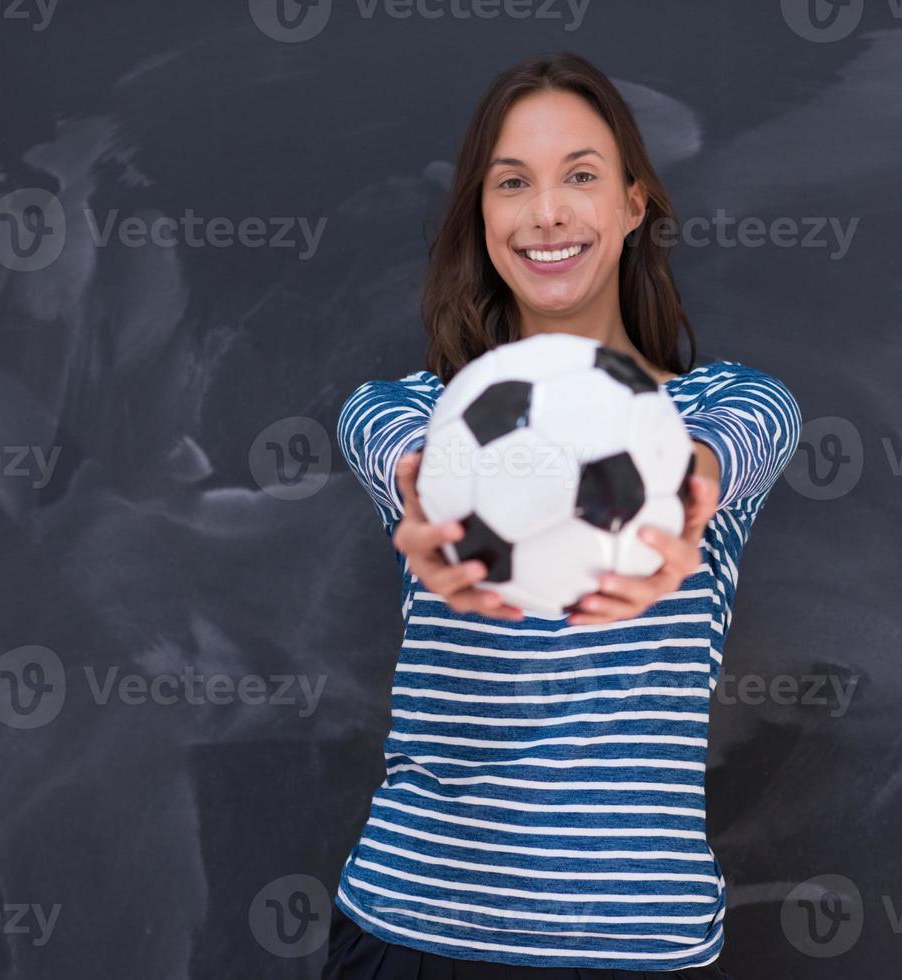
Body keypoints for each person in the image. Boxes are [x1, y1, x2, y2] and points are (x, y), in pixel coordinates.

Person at [325, 50, 802, 979]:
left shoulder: (721, 410)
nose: (547, 212)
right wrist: (444, 496)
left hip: (639, 949)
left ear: (633, 204)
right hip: (416, 938)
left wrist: (670, 494)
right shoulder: (405, 412)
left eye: (579, 176)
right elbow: (410, 462)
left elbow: (724, 450)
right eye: (513, 183)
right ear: (483, 218)